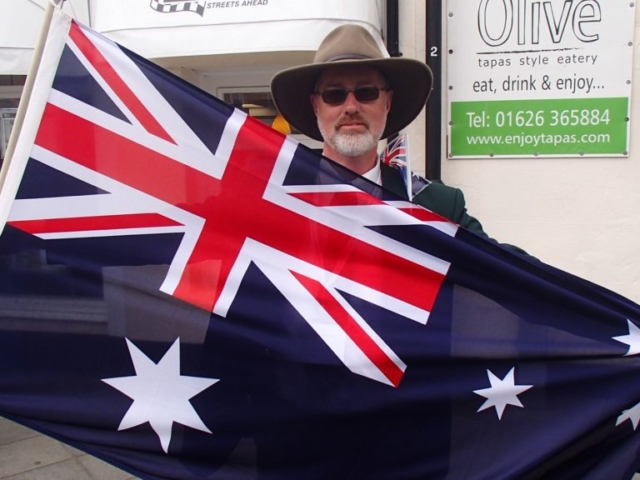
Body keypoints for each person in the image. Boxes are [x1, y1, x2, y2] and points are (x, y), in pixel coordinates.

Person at [270, 23, 494, 240]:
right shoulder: (274, 199)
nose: (351, 107)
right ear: (316, 106)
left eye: (366, 92)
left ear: (387, 102)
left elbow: (508, 272)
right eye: (334, 94)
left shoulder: (435, 206)